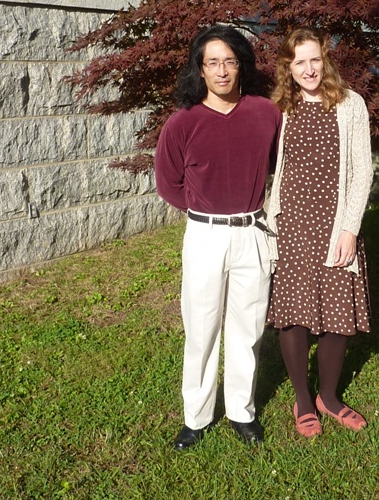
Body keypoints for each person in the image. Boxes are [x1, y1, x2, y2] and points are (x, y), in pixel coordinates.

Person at [154, 24, 282, 450]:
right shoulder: (182, 123)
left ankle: (241, 411)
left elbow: (280, 170)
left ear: (241, 66)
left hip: (252, 232)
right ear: (200, 71)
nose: (222, 71)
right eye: (213, 63)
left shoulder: (267, 114)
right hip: (206, 235)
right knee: (202, 328)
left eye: (230, 61)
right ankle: (196, 416)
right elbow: (168, 184)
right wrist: (203, 208)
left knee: (248, 329)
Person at [266, 27, 373, 438]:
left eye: (314, 60)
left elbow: (362, 171)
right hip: (292, 222)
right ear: (288, 68)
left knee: (337, 314)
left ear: (325, 60)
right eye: (299, 62)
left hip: (334, 222)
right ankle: (303, 400)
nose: (308, 69)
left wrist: (349, 228)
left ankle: (329, 397)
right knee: (292, 312)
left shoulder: (350, 104)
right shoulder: (280, 107)